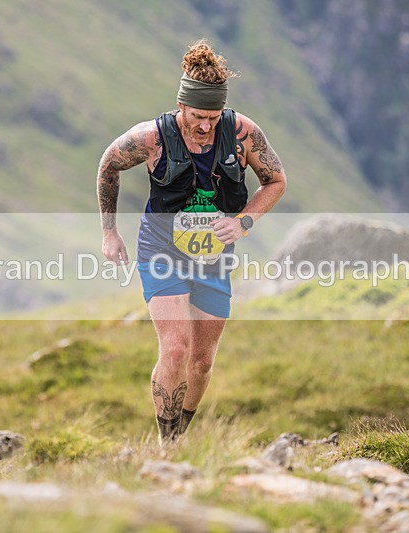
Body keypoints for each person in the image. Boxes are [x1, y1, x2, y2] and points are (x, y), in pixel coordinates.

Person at [96, 40, 286, 443]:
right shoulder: (150, 138)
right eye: (199, 116)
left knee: (200, 362)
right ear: (181, 106)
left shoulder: (243, 134)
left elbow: (276, 181)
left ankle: (181, 433)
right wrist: (109, 231)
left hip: (214, 256)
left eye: (214, 118)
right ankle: (167, 445)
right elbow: (108, 166)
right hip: (160, 248)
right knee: (177, 349)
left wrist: (243, 222)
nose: (206, 126)